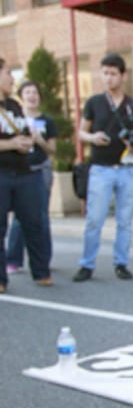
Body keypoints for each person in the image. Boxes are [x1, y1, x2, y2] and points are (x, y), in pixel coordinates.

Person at [73, 53, 133, 282]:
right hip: (101, 168)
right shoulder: (94, 102)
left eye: (113, 74)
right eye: (105, 73)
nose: (108, 78)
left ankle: (121, 263)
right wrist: (92, 137)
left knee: (125, 220)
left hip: (127, 168)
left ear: (123, 76)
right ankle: (87, 264)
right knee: (94, 218)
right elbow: (80, 132)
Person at [0, 59, 53, 291]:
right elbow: (11, 141)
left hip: (25, 172)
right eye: (8, 73)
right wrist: (12, 144)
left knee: (35, 223)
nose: (12, 78)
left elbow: (23, 133)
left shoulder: (13, 105)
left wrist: (26, 142)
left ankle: (41, 272)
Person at [6, 81, 57, 275]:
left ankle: (43, 259)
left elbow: (52, 149)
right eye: (27, 92)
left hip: (41, 169)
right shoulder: (14, 119)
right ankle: (13, 259)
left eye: (35, 92)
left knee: (41, 216)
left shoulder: (48, 121)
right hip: (20, 169)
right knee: (20, 217)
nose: (32, 96)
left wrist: (40, 140)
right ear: (21, 96)